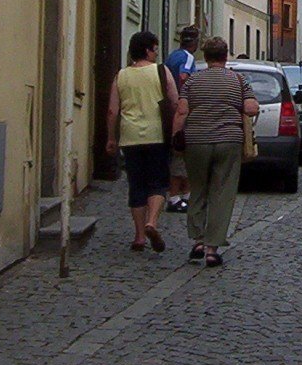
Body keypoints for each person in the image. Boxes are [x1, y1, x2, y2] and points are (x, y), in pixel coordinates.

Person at [173, 36, 258, 268]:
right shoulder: (238, 80)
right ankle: (212, 249)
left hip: (197, 141)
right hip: (228, 141)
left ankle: (198, 241)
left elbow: (181, 112)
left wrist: (176, 138)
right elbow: (251, 108)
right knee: (222, 192)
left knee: (198, 189)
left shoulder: (192, 82)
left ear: (206, 57)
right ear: (226, 55)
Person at [105, 31, 178, 253]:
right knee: (158, 182)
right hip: (157, 135)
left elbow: (112, 111)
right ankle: (152, 222)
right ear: (147, 50)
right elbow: (175, 102)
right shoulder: (161, 71)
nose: (156, 53)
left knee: (136, 185)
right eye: (155, 49)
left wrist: (111, 138)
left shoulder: (121, 76)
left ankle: (138, 237)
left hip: (130, 137)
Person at [164, 25, 200, 213]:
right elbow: (184, 76)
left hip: (171, 109)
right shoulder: (188, 57)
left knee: (179, 152)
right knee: (182, 153)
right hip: (182, 109)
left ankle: (185, 195)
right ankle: (176, 196)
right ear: (195, 43)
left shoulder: (172, 56)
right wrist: (186, 97)